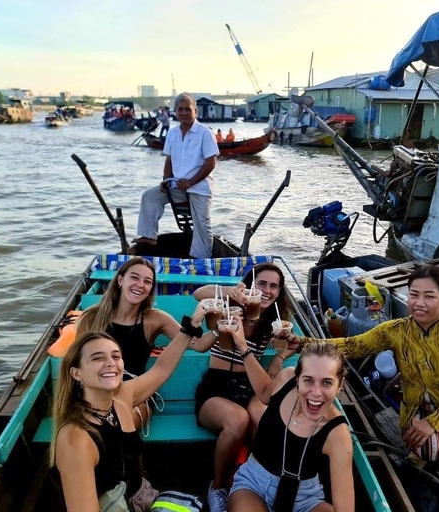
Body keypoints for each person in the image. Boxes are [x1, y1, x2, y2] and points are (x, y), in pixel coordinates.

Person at [292, 265, 439, 511]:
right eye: (414, 294)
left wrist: (434, 423)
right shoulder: (398, 331)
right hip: (417, 412)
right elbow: (353, 345)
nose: (419, 303)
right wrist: (301, 343)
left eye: (429, 296)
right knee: (427, 447)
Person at [51, 301, 208, 512]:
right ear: (76, 373)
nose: (110, 363)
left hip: (138, 497)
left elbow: (161, 369)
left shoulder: (121, 397)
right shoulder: (76, 438)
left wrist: (191, 325)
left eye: (116, 356)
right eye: (98, 358)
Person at [191, 262, 295, 512]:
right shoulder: (229, 308)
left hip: (249, 387)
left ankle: (261, 482)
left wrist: (279, 359)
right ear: (250, 285)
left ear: (279, 292)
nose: (267, 291)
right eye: (262, 284)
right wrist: (230, 292)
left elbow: (295, 343)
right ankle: (218, 488)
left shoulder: (273, 320)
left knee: (265, 419)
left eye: (274, 286)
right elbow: (199, 294)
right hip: (215, 387)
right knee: (238, 420)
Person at [76, 257, 213, 429]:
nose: (140, 285)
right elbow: (77, 363)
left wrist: (218, 328)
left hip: (138, 395)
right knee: (91, 423)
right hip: (97, 390)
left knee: (116, 423)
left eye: (147, 281)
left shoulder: (155, 319)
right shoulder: (91, 318)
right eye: (134, 277)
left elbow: (197, 345)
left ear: (150, 289)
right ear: (120, 280)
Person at [228, 341, 354, 512]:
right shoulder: (285, 379)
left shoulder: (338, 434)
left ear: (340, 385)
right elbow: (265, 393)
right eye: (308, 380)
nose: (316, 392)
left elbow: (345, 509)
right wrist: (243, 346)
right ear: (297, 378)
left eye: (326, 383)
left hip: (305, 499)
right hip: (254, 483)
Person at [133, 93, 219, 259]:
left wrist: (191, 182)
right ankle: (149, 236)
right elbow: (169, 162)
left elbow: (210, 164)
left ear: (195, 111)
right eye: (180, 109)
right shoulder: (172, 133)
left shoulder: (205, 133)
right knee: (150, 196)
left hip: (199, 187)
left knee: (202, 225)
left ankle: (201, 259)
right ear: (175, 112)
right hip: (176, 185)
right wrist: (165, 181)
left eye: (188, 109)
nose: (184, 112)